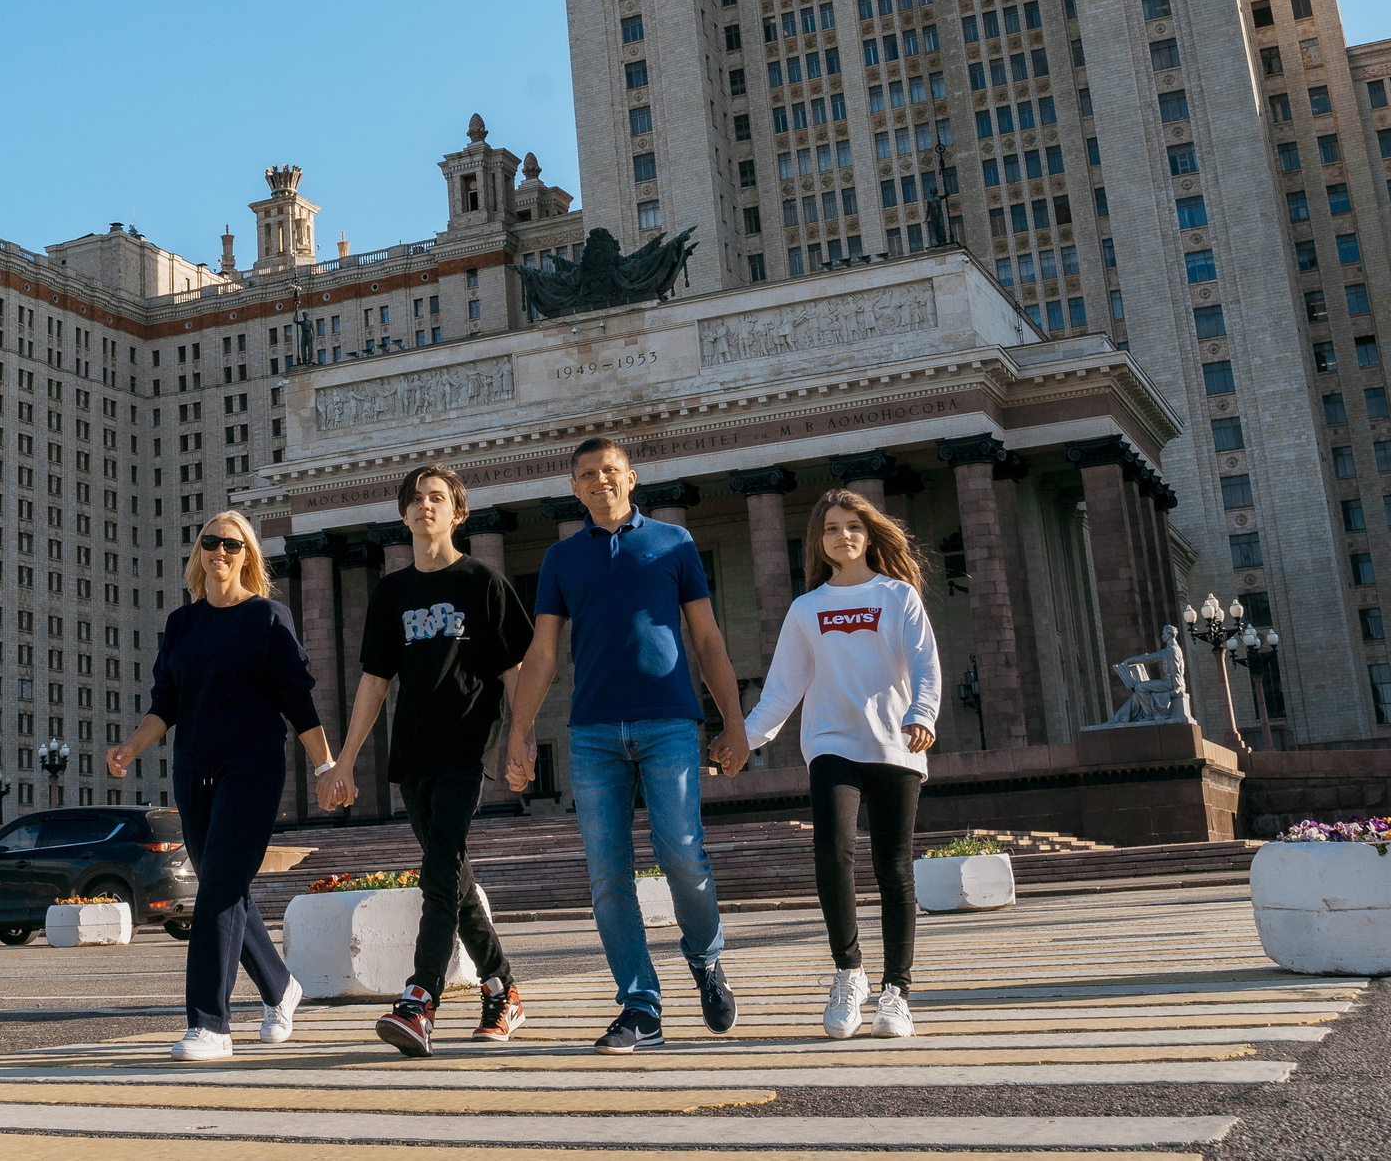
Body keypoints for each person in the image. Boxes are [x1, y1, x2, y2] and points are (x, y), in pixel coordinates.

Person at [504, 438, 750, 1053]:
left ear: (632, 478)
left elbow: (708, 638)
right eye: (587, 475)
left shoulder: (674, 543)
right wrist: (519, 730)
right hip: (592, 735)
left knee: (683, 855)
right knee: (608, 875)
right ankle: (641, 1006)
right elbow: (542, 653)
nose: (600, 482)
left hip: (669, 723)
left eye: (609, 471)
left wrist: (735, 723)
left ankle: (705, 956)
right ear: (575, 488)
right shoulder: (562, 560)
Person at [107, 509, 336, 1061]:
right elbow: (167, 704)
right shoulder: (182, 625)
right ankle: (281, 987)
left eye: (232, 545)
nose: (221, 552)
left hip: (252, 770)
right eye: (211, 543)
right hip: (194, 771)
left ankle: (210, 1023)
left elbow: (297, 700)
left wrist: (327, 768)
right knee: (223, 887)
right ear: (200, 554)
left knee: (216, 891)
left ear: (247, 555)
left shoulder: (269, 619)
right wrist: (132, 747)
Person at [321, 464, 534, 1056]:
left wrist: (521, 737)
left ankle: (420, 1000)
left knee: (439, 871)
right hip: (411, 754)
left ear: (457, 512)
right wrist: (344, 763)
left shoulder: (482, 583)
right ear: (404, 515)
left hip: (466, 747)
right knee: (453, 878)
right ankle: (502, 990)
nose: (424, 507)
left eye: (436, 498)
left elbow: (514, 669)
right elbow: (373, 682)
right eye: (414, 500)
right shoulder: (392, 593)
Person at [741, 488, 943, 1042]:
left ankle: (896, 991)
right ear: (819, 541)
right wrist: (744, 741)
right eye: (831, 528)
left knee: (894, 868)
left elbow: (926, 664)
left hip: (895, 745)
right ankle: (849, 973)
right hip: (831, 743)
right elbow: (783, 689)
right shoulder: (807, 609)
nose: (843, 536)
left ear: (869, 534)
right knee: (832, 850)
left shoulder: (898, 596)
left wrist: (923, 714)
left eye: (853, 526)